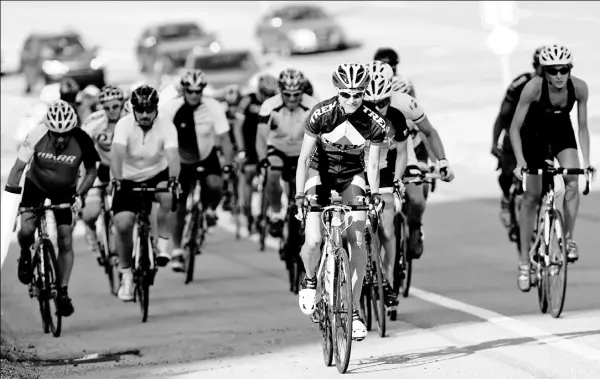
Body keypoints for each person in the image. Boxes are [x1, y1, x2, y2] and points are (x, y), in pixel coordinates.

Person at [296, 62, 386, 341]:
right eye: (346, 94)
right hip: (318, 172)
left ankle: (354, 309)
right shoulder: (321, 114)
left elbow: (372, 165)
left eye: (358, 94)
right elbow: (302, 159)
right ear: (337, 91)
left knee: (358, 241)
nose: (352, 100)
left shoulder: (374, 122)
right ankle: (310, 280)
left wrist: (373, 195)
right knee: (313, 240)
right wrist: (299, 195)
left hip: (351, 176)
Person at [509, 44, 595, 292]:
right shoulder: (533, 88)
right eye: (553, 70)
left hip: (561, 133)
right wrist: (520, 162)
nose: (559, 75)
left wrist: (586, 162)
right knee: (531, 197)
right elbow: (514, 128)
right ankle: (525, 261)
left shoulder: (579, 88)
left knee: (571, 180)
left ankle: (568, 239)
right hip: (533, 137)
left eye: (564, 69)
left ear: (570, 70)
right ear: (544, 72)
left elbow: (582, 127)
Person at [5, 100, 100, 317]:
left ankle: (63, 291)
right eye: (55, 133)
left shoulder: (82, 139)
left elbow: (91, 172)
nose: (59, 138)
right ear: (48, 128)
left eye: (65, 134)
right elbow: (18, 169)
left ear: (72, 130)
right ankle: (25, 255)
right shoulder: (37, 134)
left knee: (65, 238)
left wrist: (80, 195)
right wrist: (11, 205)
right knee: (27, 230)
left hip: (65, 190)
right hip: (35, 185)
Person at [374, 61, 454, 259]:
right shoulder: (356, 104)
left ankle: (415, 226)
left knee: (417, 199)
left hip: (403, 154)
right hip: (373, 157)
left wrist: (441, 161)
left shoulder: (404, 103)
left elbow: (429, 132)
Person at [110, 85, 180, 301]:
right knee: (123, 224)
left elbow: (173, 156)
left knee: (167, 195)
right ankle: (127, 275)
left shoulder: (166, 125)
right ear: (133, 109)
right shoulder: (124, 125)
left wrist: (173, 180)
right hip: (128, 178)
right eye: (140, 110)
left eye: (149, 110)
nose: (145, 115)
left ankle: (162, 241)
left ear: (156, 109)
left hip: (156, 174)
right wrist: (118, 180)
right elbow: (117, 155)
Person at [160, 70, 233, 271]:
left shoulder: (213, 106)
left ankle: (209, 210)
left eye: (198, 91)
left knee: (216, 185)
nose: (194, 94)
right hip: (181, 161)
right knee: (179, 205)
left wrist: (228, 163)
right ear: (183, 90)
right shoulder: (171, 108)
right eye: (190, 91)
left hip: (206, 155)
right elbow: (161, 137)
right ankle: (177, 250)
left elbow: (225, 138)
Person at [362, 71, 410, 308]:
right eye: (371, 103)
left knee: (386, 231)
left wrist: (398, 180)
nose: (377, 108)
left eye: (382, 103)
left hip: (383, 172)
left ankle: (387, 283)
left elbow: (402, 153)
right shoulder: (352, 118)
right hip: (356, 173)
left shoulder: (396, 118)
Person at [256, 68, 318, 238]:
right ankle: (276, 213)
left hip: (303, 149)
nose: (292, 99)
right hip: (278, 148)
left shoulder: (312, 104)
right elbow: (261, 137)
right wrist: (262, 160)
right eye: (287, 95)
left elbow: (322, 135)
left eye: (296, 94)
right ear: (280, 91)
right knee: (271, 173)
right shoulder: (269, 105)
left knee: (313, 181)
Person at [492, 46, 545, 227]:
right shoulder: (519, 84)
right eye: (542, 67)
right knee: (507, 172)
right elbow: (503, 114)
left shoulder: (557, 85)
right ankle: (507, 199)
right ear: (535, 66)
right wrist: (495, 141)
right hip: (516, 132)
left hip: (540, 135)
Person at [80, 85, 126, 264]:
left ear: (122, 104)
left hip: (124, 167)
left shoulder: (131, 119)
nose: (112, 111)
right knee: (91, 213)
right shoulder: (93, 122)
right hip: (101, 166)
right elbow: (82, 151)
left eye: (115, 106)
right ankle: (92, 236)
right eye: (107, 108)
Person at [233, 74, 279, 231]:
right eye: (265, 93)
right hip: (249, 145)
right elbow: (238, 126)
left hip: (267, 144)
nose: (268, 97)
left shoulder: (277, 103)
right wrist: (240, 149)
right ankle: (247, 211)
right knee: (248, 174)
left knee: (269, 177)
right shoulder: (247, 100)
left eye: (271, 94)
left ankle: (263, 214)